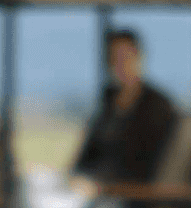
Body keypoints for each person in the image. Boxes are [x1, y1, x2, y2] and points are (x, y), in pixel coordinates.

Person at [71, 28, 177, 186]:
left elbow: (150, 165)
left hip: (131, 191)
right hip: (95, 184)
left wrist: (105, 183)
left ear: (138, 57)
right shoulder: (109, 102)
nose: (120, 64)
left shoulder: (157, 107)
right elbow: (87, 156)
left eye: (125, 57)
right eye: (113, 58)